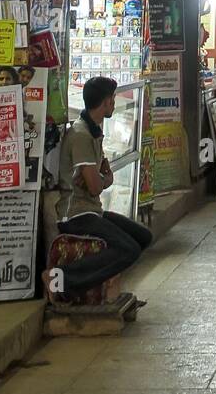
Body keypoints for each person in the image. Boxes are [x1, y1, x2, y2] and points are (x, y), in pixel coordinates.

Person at [54, 76, 152, 293]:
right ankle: (64, 279)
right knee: (129, 249)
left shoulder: (93, 132)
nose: (114, 104)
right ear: (106, 102)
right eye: (113, 99)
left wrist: (101, 178)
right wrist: (103, 179)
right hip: (76, 214)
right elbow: (97, 185)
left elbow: (99, 178)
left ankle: (100, 284)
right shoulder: (81, 135)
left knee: (143, 237)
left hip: (92, 210)